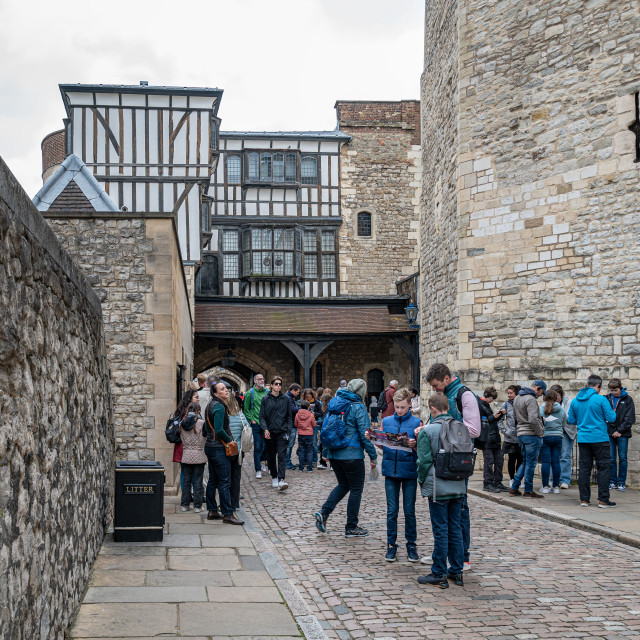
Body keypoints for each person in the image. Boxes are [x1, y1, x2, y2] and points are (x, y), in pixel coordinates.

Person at [425, 364, 480, 572]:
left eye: (436, 385)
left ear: (447, 379)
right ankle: (442, 555)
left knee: (460, 511)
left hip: (458, 462)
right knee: (442, 513)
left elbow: (474, 429)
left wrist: (441, 429)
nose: (434, 389)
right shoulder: (442, 397)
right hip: (440, 461)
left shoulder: (465, 395)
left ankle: (462, 557)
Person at [314, 379, 378, 537]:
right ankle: (351, 526)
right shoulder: (357, 407)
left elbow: (328, 428)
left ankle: (324, 512)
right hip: (352, 454)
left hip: (336, 454)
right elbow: (365, 435)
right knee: (356, 489)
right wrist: (373, 455)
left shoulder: (335, 402)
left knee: (343, 485)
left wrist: (327, 452)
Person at [416, 393, 466, 589]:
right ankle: (457, 570)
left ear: (433, 409)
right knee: (455, 529)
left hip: (439, 487)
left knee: (441, 530)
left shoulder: (428, 431)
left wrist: (422, 481)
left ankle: (439, 572)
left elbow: (423, 462)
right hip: (458, 485)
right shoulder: (461, 427)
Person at [378, 387, 421, 562]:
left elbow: (421, 450)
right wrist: (373, 438)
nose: (399, 410)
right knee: (392, 511)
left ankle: (411, 544)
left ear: (410, 405)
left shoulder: (417, 422)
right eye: (397, 407)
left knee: (409, 511)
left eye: (402, 407)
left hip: (409, 471)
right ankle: (391, 545)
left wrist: (414, 444)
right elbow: (382, 445)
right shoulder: (387, 421)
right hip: (391, 470)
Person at [567, 374, 618, 507]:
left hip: (583, 438)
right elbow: (612, 418)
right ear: (598, 386)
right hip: (600, 438)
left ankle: (584, 499)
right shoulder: (600, 399)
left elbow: (571, 420)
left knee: (584, 469)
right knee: (603, 468)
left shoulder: (575, 400)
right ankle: (603, 500)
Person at [203, 382, 244, 525]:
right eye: (222, 389)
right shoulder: (219, 407)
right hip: (219, 448)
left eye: (226, 388)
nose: (226, 390)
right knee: (225, 481)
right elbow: (219, 430)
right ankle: (227, 513)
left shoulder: (210, 405)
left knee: (213, 480)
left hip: (210, 446)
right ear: (215, 393)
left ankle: (212, 510)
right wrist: (230, 441)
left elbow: (205, 429)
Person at [509, 380, 546, 499]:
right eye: (541, 392)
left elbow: (514, 416)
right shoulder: (530, 399)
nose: (541, 395)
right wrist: (540, 432)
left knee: (525, 461)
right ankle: (528, 490)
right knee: (531, 463)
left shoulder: (518, 398)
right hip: (531, 434)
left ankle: (514, 487)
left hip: (521, 433)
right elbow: (533, 419)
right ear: (538, 388)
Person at [260, 376, 293, 491]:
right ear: (272, 385)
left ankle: (281, 479)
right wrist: (265, 429)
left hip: (282, 431)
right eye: (276, 384)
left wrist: (289, 430)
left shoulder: (286, 399)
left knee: (282, 455)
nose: (278, 386)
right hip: (270, 432)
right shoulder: (265, 399)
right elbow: (262, 416)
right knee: (271, 456)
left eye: (280, 384)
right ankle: (274, 477)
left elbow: (289, 416)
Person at [606, 378, 636, 492]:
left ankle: (621, 482)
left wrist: (620, 430)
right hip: (609, 432)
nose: (614, 393)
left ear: (620, 388)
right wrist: (612, 430)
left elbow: (630, 418)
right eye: (612, 390)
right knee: (611, 458)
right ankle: (613, 481)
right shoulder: (607, 398)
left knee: (623, 458)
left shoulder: (628, 399)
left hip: (623, 433)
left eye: (616, 390)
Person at [224, 390, 250, 514]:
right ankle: (235, 503)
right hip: (238, 451)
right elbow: (247, 428)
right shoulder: (240, 415)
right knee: (236, 477)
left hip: (226, 449)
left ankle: (227, 502)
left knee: (225, 477)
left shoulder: (224, 415)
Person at [179, 401, 207, 513]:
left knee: (186, 481)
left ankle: (185, 505)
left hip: (186, 454)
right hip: (199, 454)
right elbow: (206, 436)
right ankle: (198, 506)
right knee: (198, 481)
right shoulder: (202, 423)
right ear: (198, 411)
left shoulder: (182, 423)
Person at [478, 387, 507, 493]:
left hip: (494, 438)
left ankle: (497, 482)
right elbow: (482, 421)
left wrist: (499, 415)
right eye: (491, 398)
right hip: (487, 439)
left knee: (499, 460)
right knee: (489, 462)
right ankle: (488, 483)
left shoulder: (486, 406)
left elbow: (491, 420)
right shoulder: (480, 405)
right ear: (486, 396)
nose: (492, 401)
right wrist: (493, 416)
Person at [172, 389, 200, 496]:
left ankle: (187, 495)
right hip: (186, 445)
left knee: (186, 471)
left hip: (183, 445)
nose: (198, 399)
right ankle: (188, 495)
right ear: (190, 399)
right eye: (196, 397)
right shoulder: (188, 413)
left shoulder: (182, 410)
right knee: (189, 472)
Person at [539, 389, 566, 493]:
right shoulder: (561, 410)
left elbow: (539, 422)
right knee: (556, 462)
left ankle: (545, 486)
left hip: (545, 436)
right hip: (558, 437)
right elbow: (564, 424)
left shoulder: (541, 409)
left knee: (546, 462)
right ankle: (556, 487)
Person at [244, 374, 269, 479]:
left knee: (267, 446)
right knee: (258, 446)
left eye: (263, 379)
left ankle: (262, 460)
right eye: (259, 379)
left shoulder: (267, 392)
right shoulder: (250, 393)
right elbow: (246, 408)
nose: (262, 380)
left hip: (266, 424)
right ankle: (258, 469)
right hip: (256, 424)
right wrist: (251, 419)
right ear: (255, 381)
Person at [551, 384, 575, 489]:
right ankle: (553, 479)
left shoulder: (569, 402)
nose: (555, 398)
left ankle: (565, 479)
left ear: (561, 394)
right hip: (554, 432)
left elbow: (569, 418)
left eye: (557, 395)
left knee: (565, 456)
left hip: (566, 432)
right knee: (554, 456)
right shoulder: (549, 404)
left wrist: (559, 413)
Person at [499, 384, 522, 487]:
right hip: (510, 437)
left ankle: (519, 479)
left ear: (516, 393)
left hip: (521, 436)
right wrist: (504, 431)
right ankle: (512, 478)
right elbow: (499, 420)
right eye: (508, 393)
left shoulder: (521, 403)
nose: (509, 395)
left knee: (521, 459)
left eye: (511, 393)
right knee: (512, 459)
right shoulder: (505, 405)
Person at [295, 400, 316, 472]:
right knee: (309, 450)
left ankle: (301, 467)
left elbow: (296, 424)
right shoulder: (311, 415)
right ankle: (309, 468)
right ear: (308, 407)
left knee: (301, 450)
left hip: (301, 434)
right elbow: (314, 425)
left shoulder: (297, 414)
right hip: (309, 434)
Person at [285, 383, 301, 470]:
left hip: (291, 424)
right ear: (293, 390)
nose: (298, 394)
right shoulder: (288, 398)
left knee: (290, 444)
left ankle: (288, 461)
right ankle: (287, 462)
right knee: (289, 444)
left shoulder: (289, 398)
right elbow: (292, 410)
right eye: (297, 392)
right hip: (290, 425)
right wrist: (302, 408)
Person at [317, 393, 332, 470]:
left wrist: (316, 422)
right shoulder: (325, 408)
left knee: (328, 446)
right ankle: (323, 462)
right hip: (324, 428)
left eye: (322, 400)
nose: (321, 402)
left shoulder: (330, 408)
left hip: (328, 428)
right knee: (322, 446)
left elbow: (326, 420)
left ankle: (331, 464)